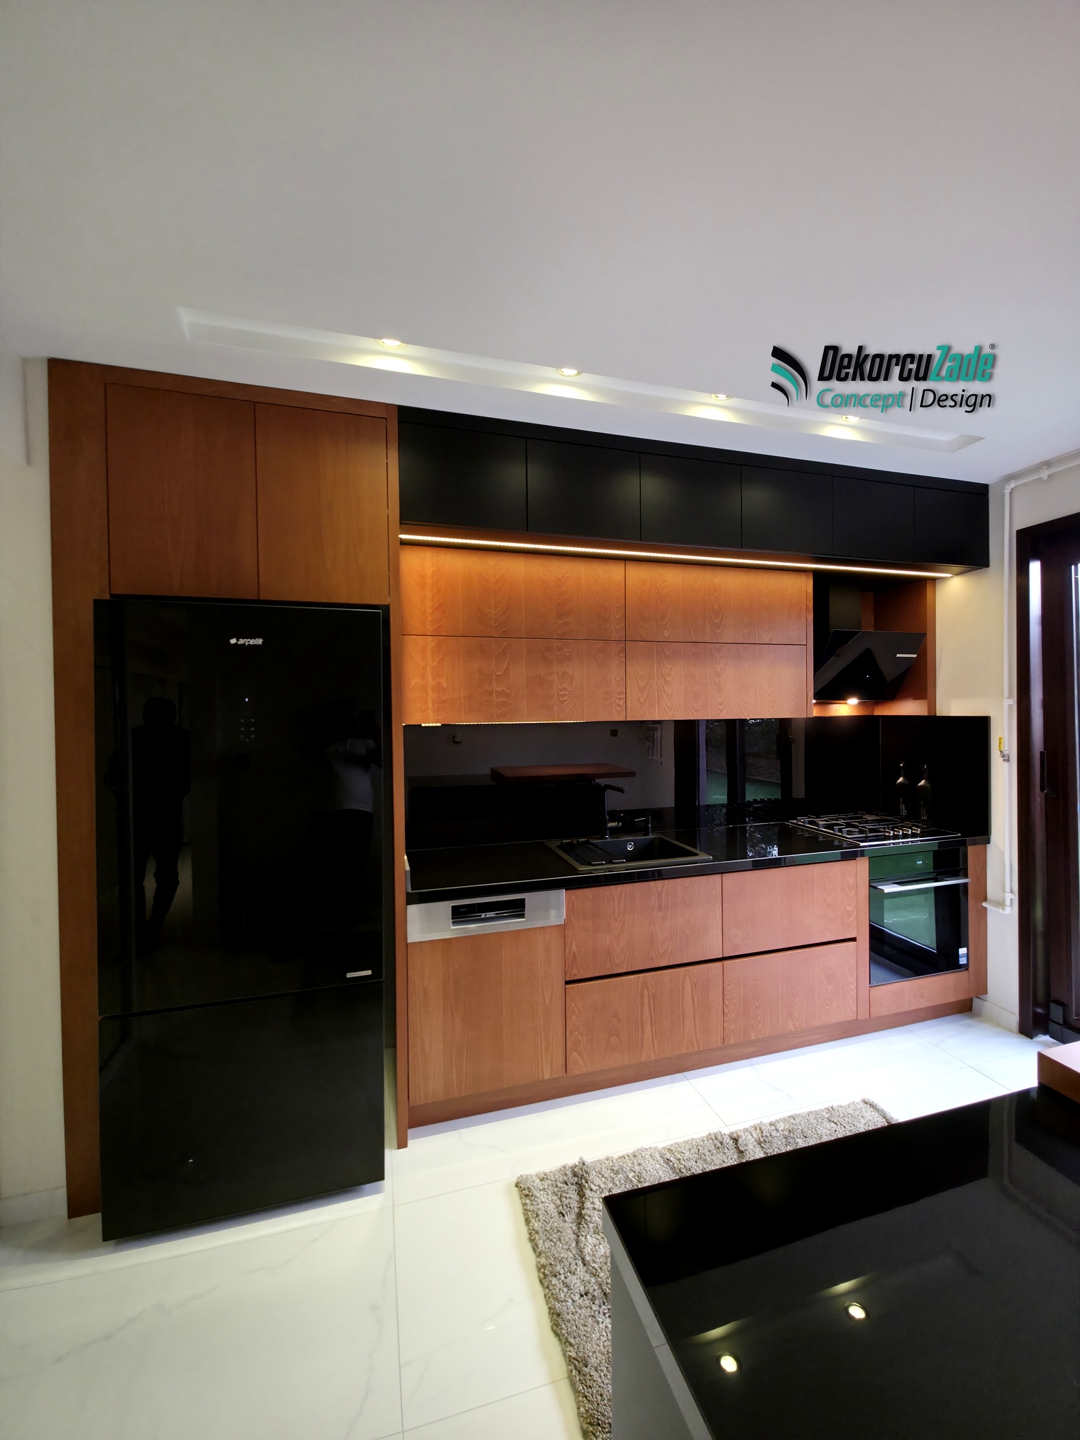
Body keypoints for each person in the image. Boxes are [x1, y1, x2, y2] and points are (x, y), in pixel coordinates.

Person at [130, 696, 190, 949]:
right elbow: (188, 779)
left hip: (138, 815)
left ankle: (139, 930)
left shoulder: (134, 737)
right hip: (167, 815)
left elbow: (113, 776)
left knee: (135, 876)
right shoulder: (182, 738)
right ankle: (152, 925)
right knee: (166, 875)